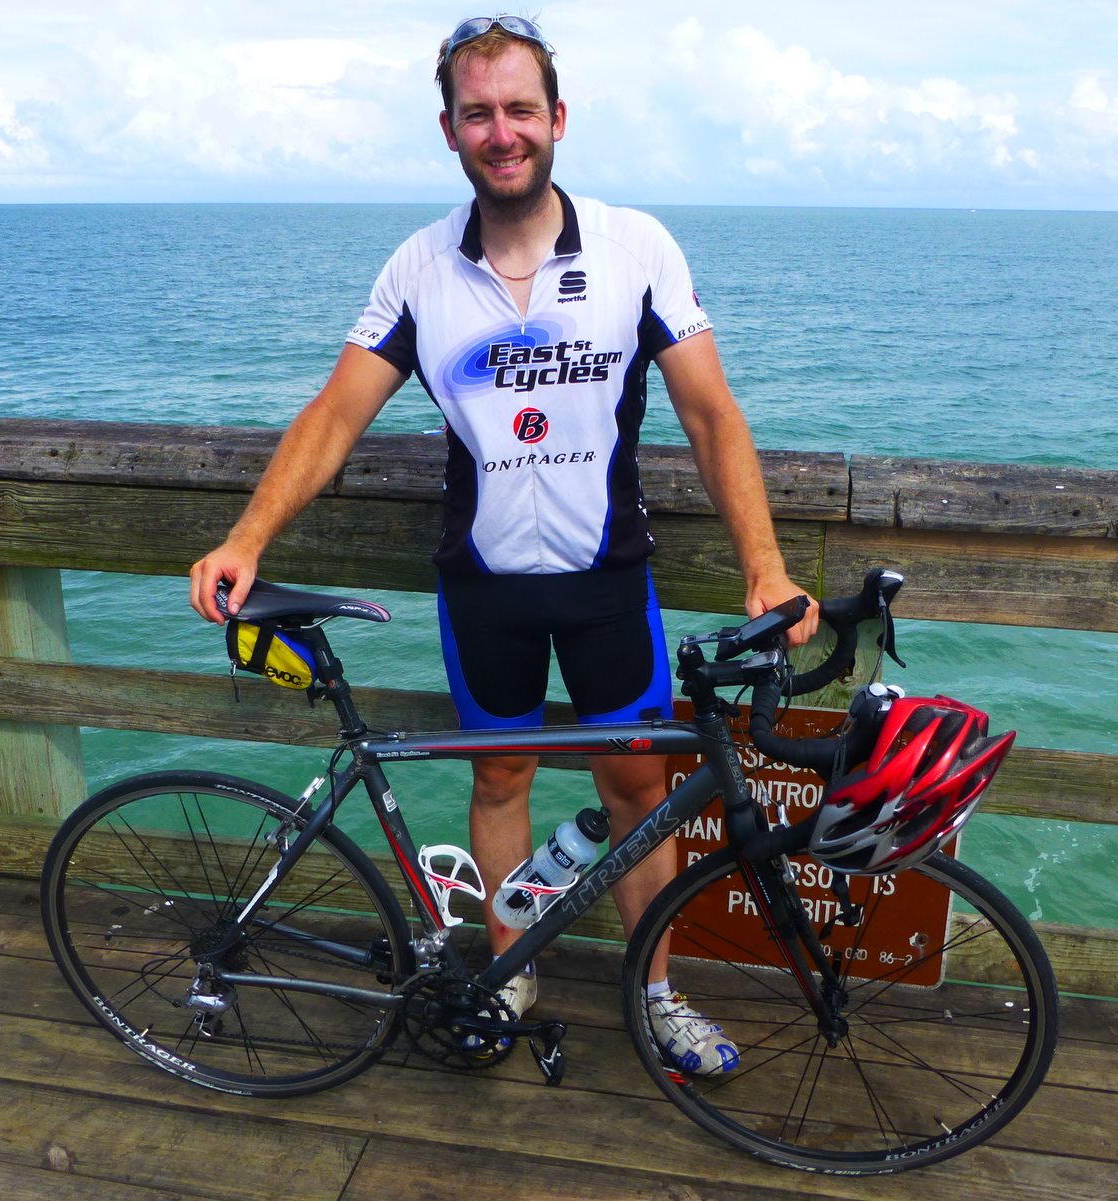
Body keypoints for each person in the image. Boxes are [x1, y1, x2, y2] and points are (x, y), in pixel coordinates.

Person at [189, 14, 818, 1076]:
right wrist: (246, 537)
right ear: (450, 131)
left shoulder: (635, 250)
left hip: (608, 582)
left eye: (520, 108)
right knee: (500, 782)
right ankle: (508, 974)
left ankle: (656, 993)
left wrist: (765, 566)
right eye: (477, 113)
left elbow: (711, 415)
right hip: (483, 589)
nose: (502, 131)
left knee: (638, 789)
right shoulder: (419, 268)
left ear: (557, 118)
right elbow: (335, 414)